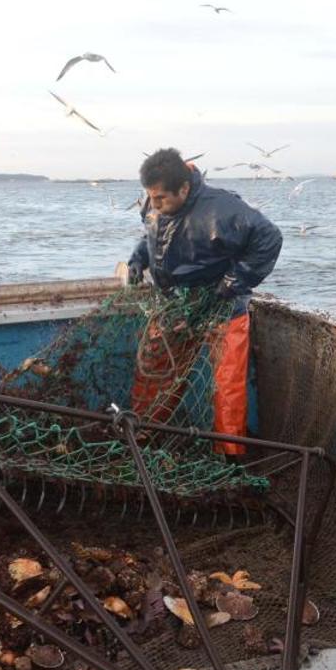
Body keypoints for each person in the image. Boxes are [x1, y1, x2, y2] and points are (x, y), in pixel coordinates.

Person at [127, 148, 282, 454]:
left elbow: (269, 239)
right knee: (155, 370)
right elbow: (151, 236)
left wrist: (233, 282)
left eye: (160, 199)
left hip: (222, 307)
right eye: (150, 198)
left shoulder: (224, 209)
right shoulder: (155, 201)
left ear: (184, 188)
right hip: (174, 306)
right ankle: (142, 436)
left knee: (227, 385)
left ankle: (230, 456)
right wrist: (136, 260)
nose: (153, 205)